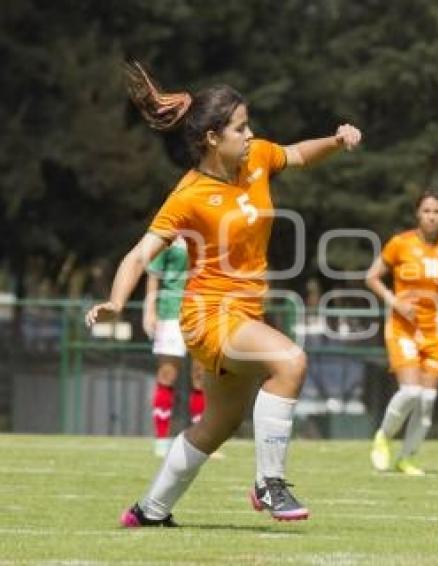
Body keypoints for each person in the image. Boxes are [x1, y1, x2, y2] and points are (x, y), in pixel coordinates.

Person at [85, 61, 362, 527]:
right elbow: (138, 255)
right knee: (290, 362)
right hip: (208, 316)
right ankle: (268, 484)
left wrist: (335, 142)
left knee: (218, 425)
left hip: (243, 315)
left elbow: (295, 153)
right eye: (240, 127)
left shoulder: (255, 159)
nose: (250, 135)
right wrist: (116, 302)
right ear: (213, 138)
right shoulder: (189, 194)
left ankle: (148, 510)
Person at [365, 190, 438, 475]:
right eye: (426, 211)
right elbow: (371, 277)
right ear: (417, 214)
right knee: (410, 392)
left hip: (434, 330)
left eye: (437, 212)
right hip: (402, 327)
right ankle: (383, 436)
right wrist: (394, 301)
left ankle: (407, 457)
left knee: (428, 400)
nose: (431, 216)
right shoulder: (400, 243)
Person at [143, 237, 208, 457]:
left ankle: (201, 443)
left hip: (202, 313)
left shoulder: (209, 231)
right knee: (167, 375)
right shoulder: (170, 234)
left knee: (201, 377)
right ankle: (162, 440)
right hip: (171, 312)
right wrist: (149, 309)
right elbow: (154, 274)